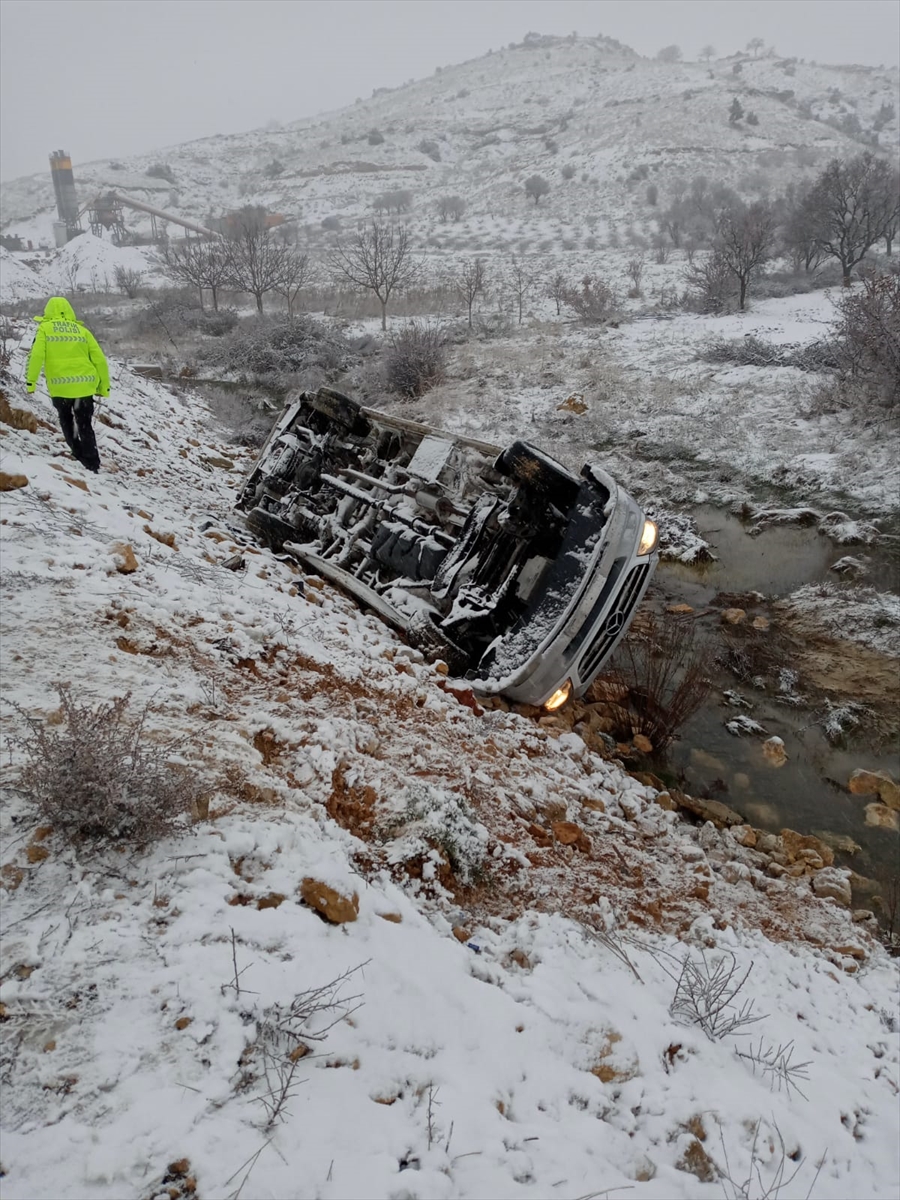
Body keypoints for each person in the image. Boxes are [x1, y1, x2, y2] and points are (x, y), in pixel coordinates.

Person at [25, 295, 110, 473]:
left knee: (66, 419)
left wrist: (30, 382)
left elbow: (36, 356)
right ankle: (92, 462)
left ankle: (78, 454)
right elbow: (100, 360)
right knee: (84, 423)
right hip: (85, 387)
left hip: (61, 388)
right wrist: (104, 387)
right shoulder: (82, 331)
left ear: (47, 311)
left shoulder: (45, 329)